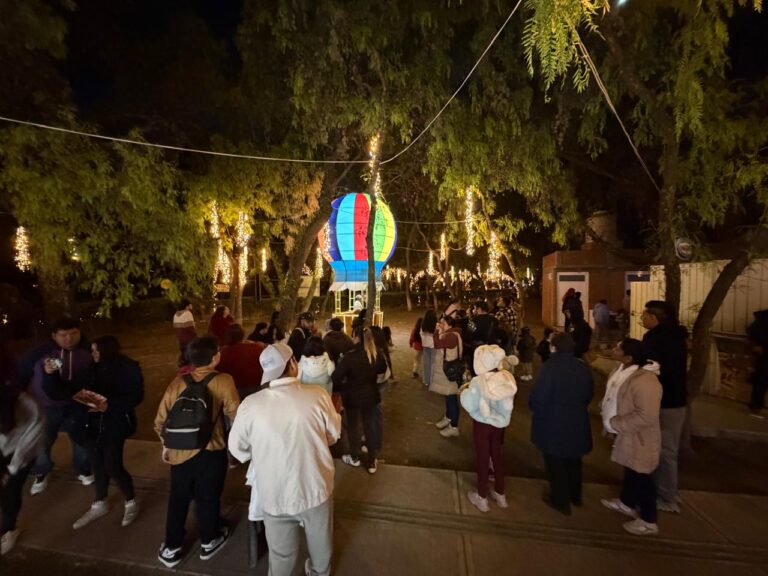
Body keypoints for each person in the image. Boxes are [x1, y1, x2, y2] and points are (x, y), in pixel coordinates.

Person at [228, 343, 341, 576]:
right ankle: (319, 572)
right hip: (315, 487)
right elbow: (333, 434)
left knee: (280, 555)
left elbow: (237, 449)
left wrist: (260, 451)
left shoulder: (251, 405)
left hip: (274, 492)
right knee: (321, 543)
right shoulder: (317, 395)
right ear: (293, 364)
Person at [154, 336, 240, 568]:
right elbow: (236, 415)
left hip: (179, 453)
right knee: (208, 497)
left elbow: (160, 421)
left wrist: (167, 445)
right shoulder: (224, 380)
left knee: (178, 498)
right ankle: (209, 540)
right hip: (211, 450)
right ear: (215, 357)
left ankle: (172, 547)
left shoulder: (178, 382)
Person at [43, 336, 144, 530]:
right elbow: (64, 391)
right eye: (92, 350)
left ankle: (131, 500)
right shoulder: (90, 369)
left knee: (113, 466)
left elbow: (136, 396)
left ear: (108, 350)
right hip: (89, 425)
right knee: (97, 464)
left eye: (97, 350)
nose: (93, 354)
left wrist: (109, 406)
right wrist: (50, 375)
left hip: (113, 425)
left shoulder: (127, 368)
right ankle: (100, 501)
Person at [20, 317, 93, 495]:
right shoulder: (40, 353)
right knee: (43, 441)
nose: (69, 339)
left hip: (78, 405)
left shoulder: (89, 351)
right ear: (54, 336)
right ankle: (41, 471)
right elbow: (21, 375)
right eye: (63, 335)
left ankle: (83, 469)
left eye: (73, 333)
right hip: (45, 406)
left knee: (81, 439)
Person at [600, 338, 663, 536]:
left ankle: (648, 520)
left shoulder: (646, 381)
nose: (613, 349)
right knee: (630, 470)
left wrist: (616, 424)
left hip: (639, 437)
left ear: (628, 357)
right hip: (625, 433)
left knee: (642, 476)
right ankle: (626, 502)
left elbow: (647, 415)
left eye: (618, 348)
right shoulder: (622, 370)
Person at [529, 333, 593, 516]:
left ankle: (559, 500)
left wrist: (534, 406)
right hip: (577, 420)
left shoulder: (550, 367)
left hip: (553, 422)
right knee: (574, 461)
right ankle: (575, 495)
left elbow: (539, 396)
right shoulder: (582, 366)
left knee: (555, 462)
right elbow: (589, 393)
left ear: (554, 347)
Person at [641, 300, 688, 513]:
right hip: (674, 400)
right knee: (666, 449)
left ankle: (667, 497)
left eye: (645, 315)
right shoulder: (675, 337)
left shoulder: (658, 341)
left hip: (665, 401)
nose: (642, 318)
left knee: (665, 450)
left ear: (654, 318)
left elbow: (652, 370)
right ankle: (667, 491)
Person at [460, 345, 518, 513]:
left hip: (482, 424)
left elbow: (469, 404)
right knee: (497, 456)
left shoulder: (479, 382)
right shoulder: (506, 377)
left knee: (483, 458)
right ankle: (500, 494)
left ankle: (482, 497)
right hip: (499, 425)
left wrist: (465, 391)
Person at [332, 326, 387, 473]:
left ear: (356, 337)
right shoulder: (375, 354)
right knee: (370, 426)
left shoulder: (349, 357)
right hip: (371, 396)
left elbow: (336, 377)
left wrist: (344, 385)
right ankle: (371, 462)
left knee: (353, 427)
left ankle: (354, 457)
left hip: (352, 397)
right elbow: (382, 369)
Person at [0, 385, 43, 555]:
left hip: (20, 452)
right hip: (2, 449)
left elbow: (34, 434)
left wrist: (12, 468)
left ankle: (9, 529)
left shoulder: (26, 404)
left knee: (11, 491)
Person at [431, 315, 465, 438]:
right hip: (450, 369)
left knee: (451, 398)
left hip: (450, 371)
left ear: (449, 325)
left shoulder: (451, 336)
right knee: (448, 396)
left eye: (443, 323)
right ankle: (449, 417)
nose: (440, 324)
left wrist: (436, 331)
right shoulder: (451, 333)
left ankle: (454, 427)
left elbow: (437, 344)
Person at [217, 324, 267, 399]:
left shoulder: (223, 352)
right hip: (256, 387)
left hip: (233, 390)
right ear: (243, 335)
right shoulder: (256, 347)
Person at [747, 310, 768, 417]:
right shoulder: (764, 319)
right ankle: (756, 406)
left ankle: (756, 405)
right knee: (761, 381)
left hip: (763, 355)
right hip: (764, 356)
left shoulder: (762, 318)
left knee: (760, 381)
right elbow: (752, 331)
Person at [173, 300, 197, 366]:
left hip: (181, 338)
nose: (192, 306)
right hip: (188, 338)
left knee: (184, 356)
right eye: (190, 304)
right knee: (190, 357)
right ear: (187, 306)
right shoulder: (187, 313)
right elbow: (190, 328)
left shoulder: (175, 314)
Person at [420, 309, 438, 389]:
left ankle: (426, 380)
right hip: (433, 346)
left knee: (426, 364)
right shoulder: (436, 325)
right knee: (433, 364)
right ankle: (432, 381)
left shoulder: (423, 325)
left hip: (425, 345)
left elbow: (421, 334)